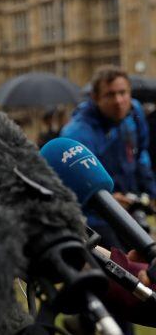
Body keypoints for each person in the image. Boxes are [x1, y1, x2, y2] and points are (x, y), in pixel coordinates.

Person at [61, 65, 156, 335]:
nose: (119, 101)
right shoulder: (77, 133)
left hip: (128, 212)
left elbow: (140, 156)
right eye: (110, 94)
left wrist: (150, 192)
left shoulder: (135, 113)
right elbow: (68, 185)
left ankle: (83, 321)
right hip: (96, 216)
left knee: (143, 275)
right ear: (95, 98)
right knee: (117, 288)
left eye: (123, 93)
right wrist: (105, 197)